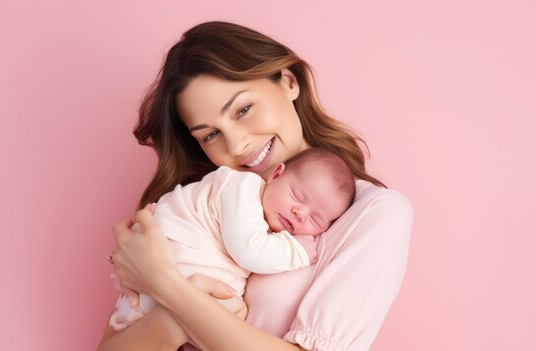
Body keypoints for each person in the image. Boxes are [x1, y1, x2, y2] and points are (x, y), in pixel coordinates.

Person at [97, 21, 413, 351]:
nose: (235, 146)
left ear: (289, 82)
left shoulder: (374, 213)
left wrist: (166, 284)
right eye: (210, 135)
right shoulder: (199, 207)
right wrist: (172, 314)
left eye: (243, 109)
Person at [109, 148, 355, 332]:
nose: (299, 213)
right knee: (233, 313)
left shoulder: (267, 217)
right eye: (297, 195)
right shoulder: (242, 188)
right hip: (172, 257)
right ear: (276, 175)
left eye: (315, 220)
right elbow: (248, 250)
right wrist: (297, 251)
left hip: (169, 284)